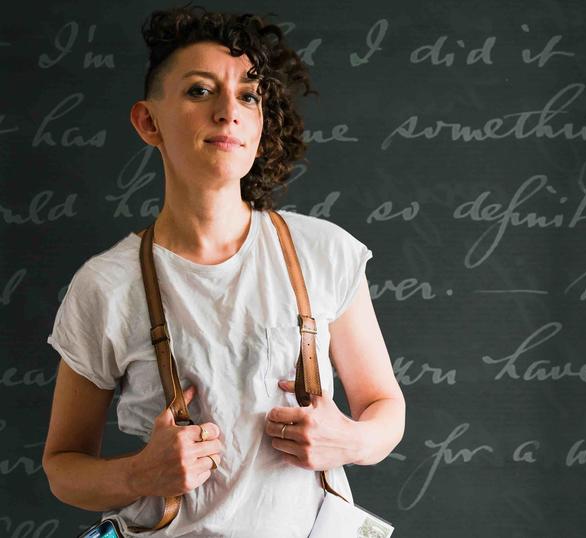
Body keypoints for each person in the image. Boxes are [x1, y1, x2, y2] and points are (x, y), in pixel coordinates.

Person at [41, 5, 405, 537]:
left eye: (248, 95)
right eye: (199, 90)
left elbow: (384, 405)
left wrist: (350, 441)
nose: (228, 110)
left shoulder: (324, 252)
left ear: (260, 123)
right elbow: (62, 467)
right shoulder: (104, 286)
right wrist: (140, 473)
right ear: (148, 121)